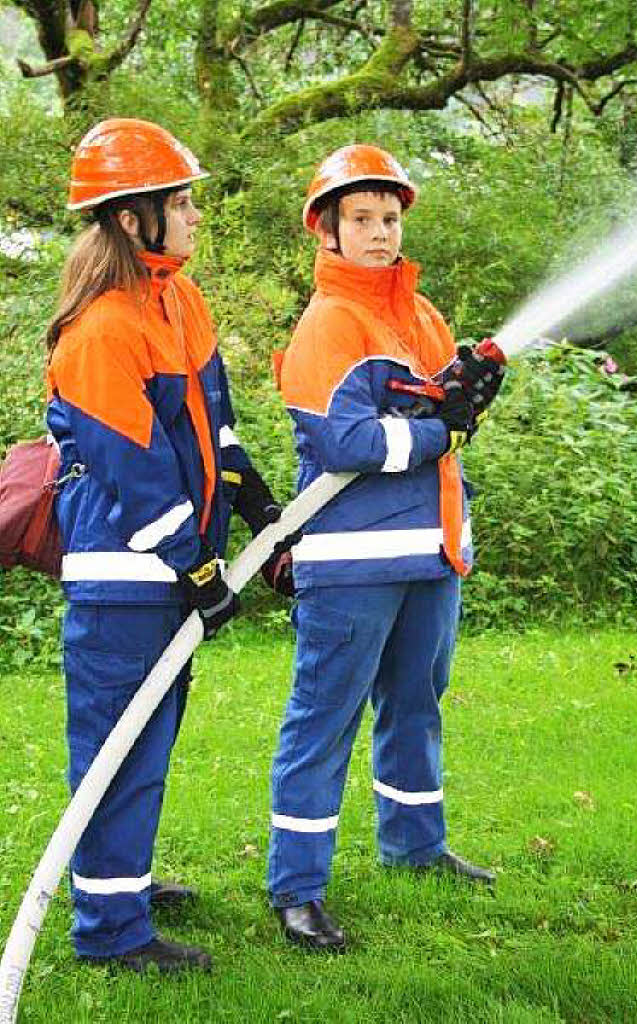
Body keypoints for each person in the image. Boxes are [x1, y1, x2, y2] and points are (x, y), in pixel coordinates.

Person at [47, 118, 291, 972]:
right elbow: (131, 470)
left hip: (172, 569)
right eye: (178, 202)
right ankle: (110, 935)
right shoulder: (101, 330)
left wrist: (252, 494)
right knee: (118, 750)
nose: (193, 215)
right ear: (128, 219)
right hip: (125, 578)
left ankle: (125, 882)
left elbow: (208, 425)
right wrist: (193, 563)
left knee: (147, 743)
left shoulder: (177, 300)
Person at [267, 144, 506, 951]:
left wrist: (466, 396)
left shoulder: (420, 312)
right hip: (350, 565)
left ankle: (415, 846)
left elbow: (442, 413)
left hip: (431, 554)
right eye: (361, 219)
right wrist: (441, 427)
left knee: (415, 707)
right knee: (322, 722)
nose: (379, 232)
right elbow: (343, 441)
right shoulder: (328, 321)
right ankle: (296, 888)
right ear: (326, 232)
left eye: (389, 218)